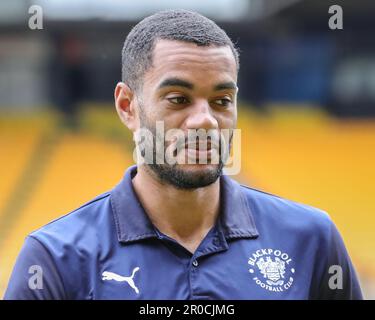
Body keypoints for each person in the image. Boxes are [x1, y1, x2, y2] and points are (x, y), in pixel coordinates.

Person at [4, 9, 362, 300]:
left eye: (222, 101)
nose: (205, 120)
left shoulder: (311, 239)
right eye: (178, 99)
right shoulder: (55, 257)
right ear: (127, 106)